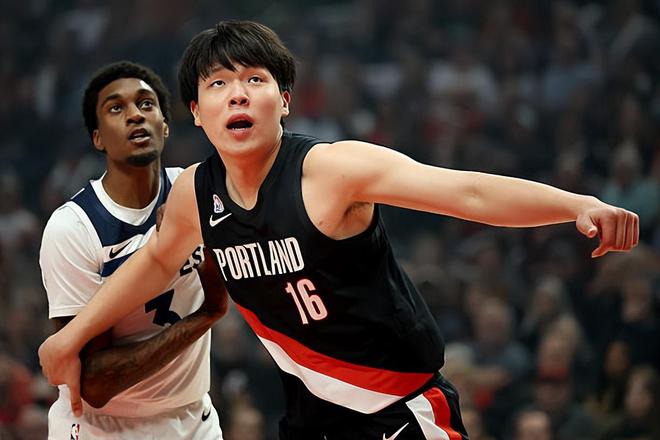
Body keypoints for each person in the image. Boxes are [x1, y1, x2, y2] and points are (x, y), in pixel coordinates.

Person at [39, 22, 639, 440]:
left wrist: (577, 204)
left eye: (254, 80)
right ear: (196, 112)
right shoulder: (196, 193)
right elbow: (154, 261)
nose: (237, 95)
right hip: (311, 413)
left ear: (284, 100)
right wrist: (73, 337)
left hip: (398, 407)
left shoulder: (332, 171)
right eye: (218, 84)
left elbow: (468, 193)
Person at [39, 61, 227, 439]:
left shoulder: (196, 191)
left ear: (165, 125)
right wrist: (204, 317)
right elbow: (95, 383)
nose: (135, 115)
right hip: (102, 426)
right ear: (98, 139)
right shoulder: (73, 227)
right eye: (116, 108)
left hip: (194, 418)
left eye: (146, 104)